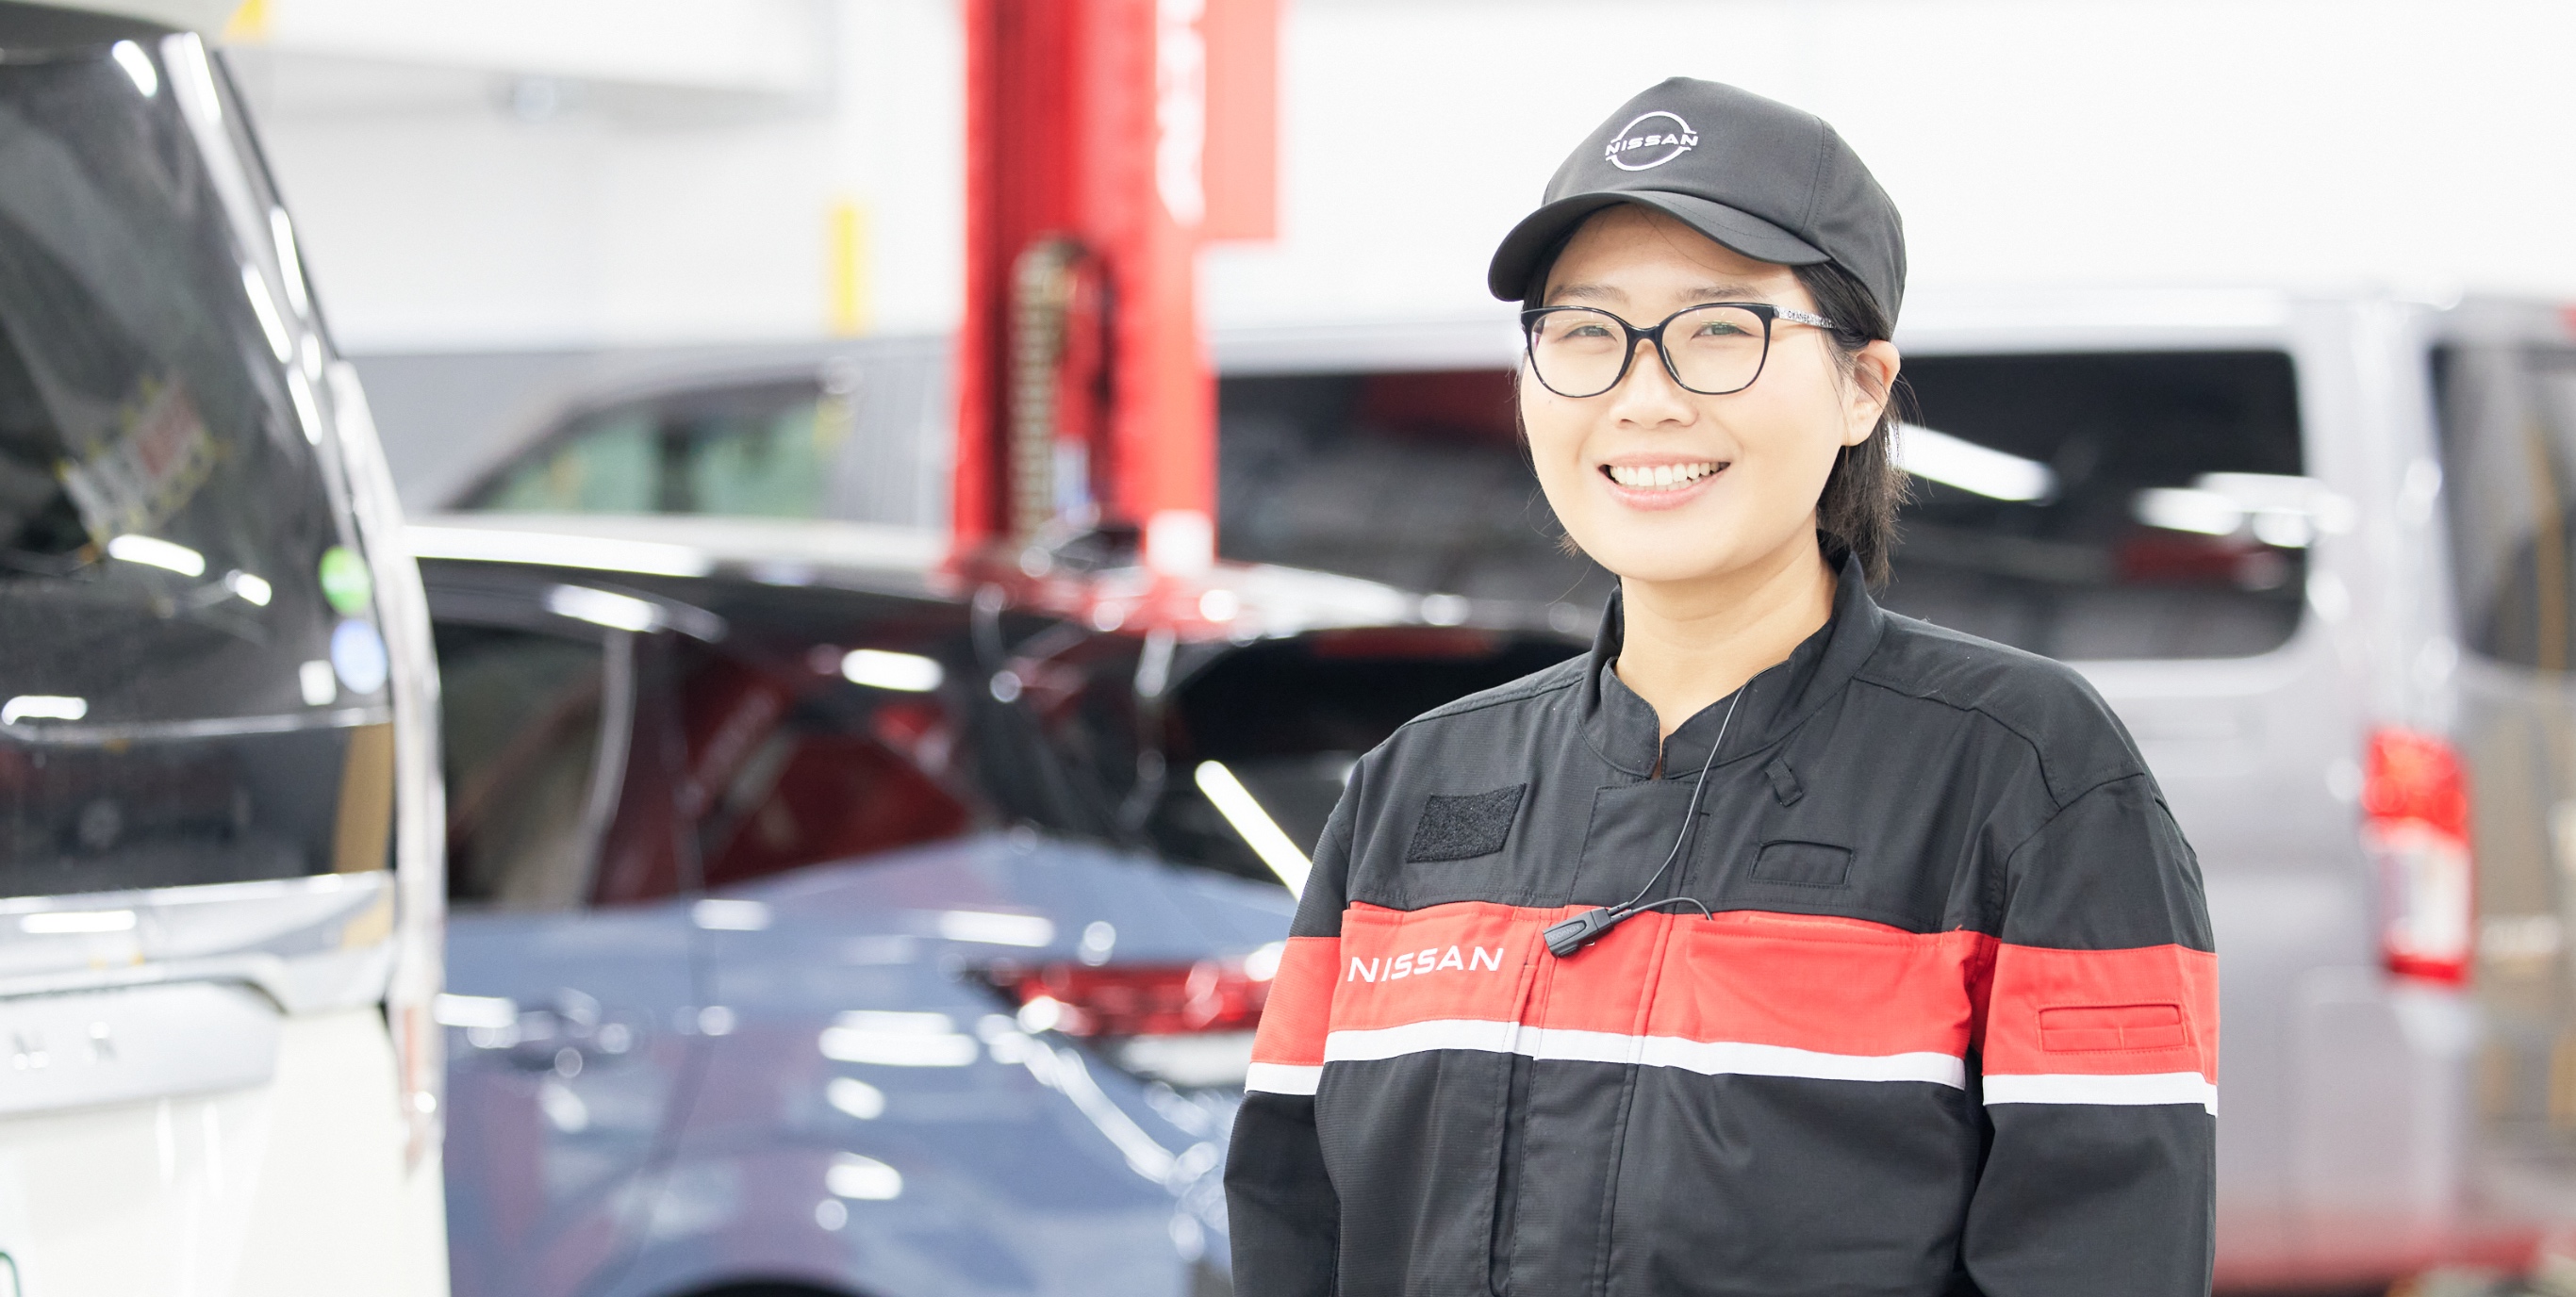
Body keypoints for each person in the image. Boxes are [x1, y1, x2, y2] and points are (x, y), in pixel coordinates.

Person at [1222, 77, 2217, 1297]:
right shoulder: (1415, 789)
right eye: (1584, 332)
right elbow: (1290, 1228)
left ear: (1862, 386)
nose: (1643, 395)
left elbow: (2102, 1254)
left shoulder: (2030, 781)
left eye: (1717, 330)